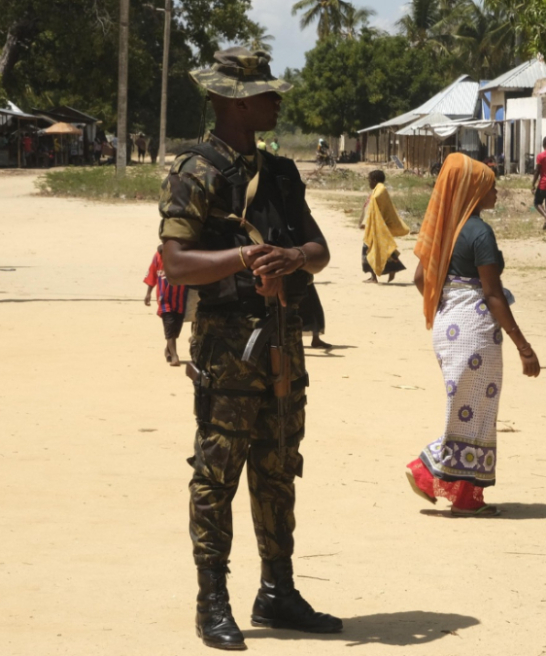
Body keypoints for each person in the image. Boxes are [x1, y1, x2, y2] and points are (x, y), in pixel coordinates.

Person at [157, 47, 342, 650]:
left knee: (278, 464)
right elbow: (177, 264)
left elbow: (319, 251)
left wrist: (291, 258)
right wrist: (242, 257)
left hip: (282, 337)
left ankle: (277, 592)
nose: (277, 99)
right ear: (235, 101)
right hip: (227, 343)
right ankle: (212, 601)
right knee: (217, 474)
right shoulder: (196, 170)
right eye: (266, 92)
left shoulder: (282, 174)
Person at [405, 153, 541, 517]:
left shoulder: (445, 226)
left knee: (470, 411)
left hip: (450, 328)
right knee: (476, 413)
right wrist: (524, 348)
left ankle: (467, 496)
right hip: (475, 332)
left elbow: (421, 278)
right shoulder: (479, 231)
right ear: (472, 190)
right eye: (489, 185)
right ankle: (425, 470)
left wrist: (447, 306)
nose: (496, 190)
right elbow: (493, 294)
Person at [360, 170, 409, 283]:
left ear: (375, 180)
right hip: (375, 226)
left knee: (370, 250)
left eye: (369, 180)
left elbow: (375, 204)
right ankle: (392, 269)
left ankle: (375, 277)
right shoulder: (378, 190)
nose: (369, 183)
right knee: (381, 249)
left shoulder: (380, 190)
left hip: (379, 226)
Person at [143, 244, 188, 366]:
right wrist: (148, 293)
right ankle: (175, 356)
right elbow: (152, 273)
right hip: (164, 298)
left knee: (176, 328)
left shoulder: (182, 255)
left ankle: (168, 349)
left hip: (180, 298)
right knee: (169, 326)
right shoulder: (157, 256)